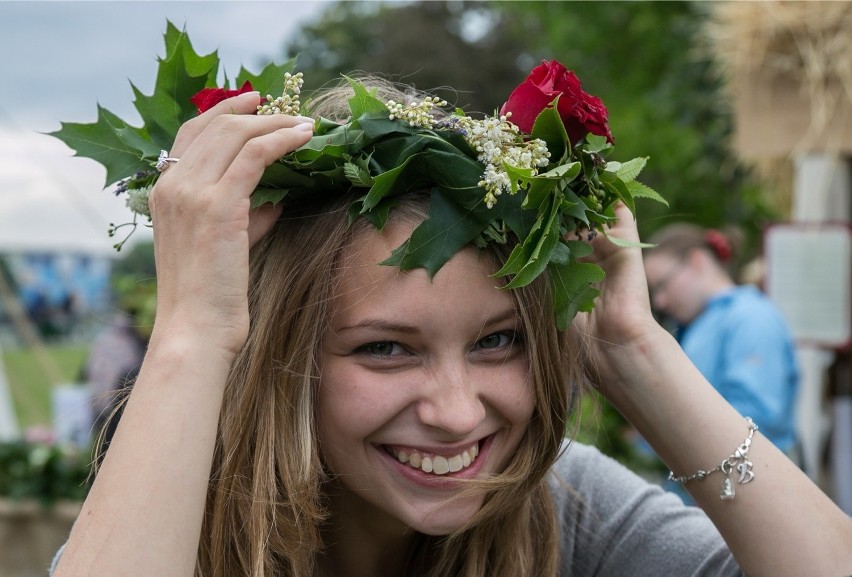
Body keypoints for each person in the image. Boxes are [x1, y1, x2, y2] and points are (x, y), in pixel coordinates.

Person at [49, 56, 851, 577]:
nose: (457, 411)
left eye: (498, 340)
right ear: (279, 350)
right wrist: (193, 334)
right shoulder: (174, 512)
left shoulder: (563, 504)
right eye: (387, 348)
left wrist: (635, 350)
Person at [642, 224, 800, 459]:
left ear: (696, 261)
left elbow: (755, 420)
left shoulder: (751, 318)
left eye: (662, 285)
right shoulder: (704, 322)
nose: (659, 302)